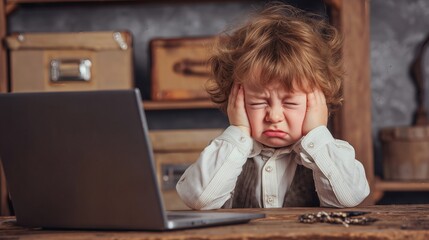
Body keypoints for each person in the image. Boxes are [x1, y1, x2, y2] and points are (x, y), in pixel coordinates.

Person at [176, 2, 370, 209]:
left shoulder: (327, 153)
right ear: (236, 102)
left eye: (290, 102)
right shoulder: (227, 156)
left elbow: (349, 198)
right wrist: (239, 131)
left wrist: (316, 132)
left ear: (319, 102)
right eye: (258, 102)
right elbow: (200, 199)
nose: (274, 116)